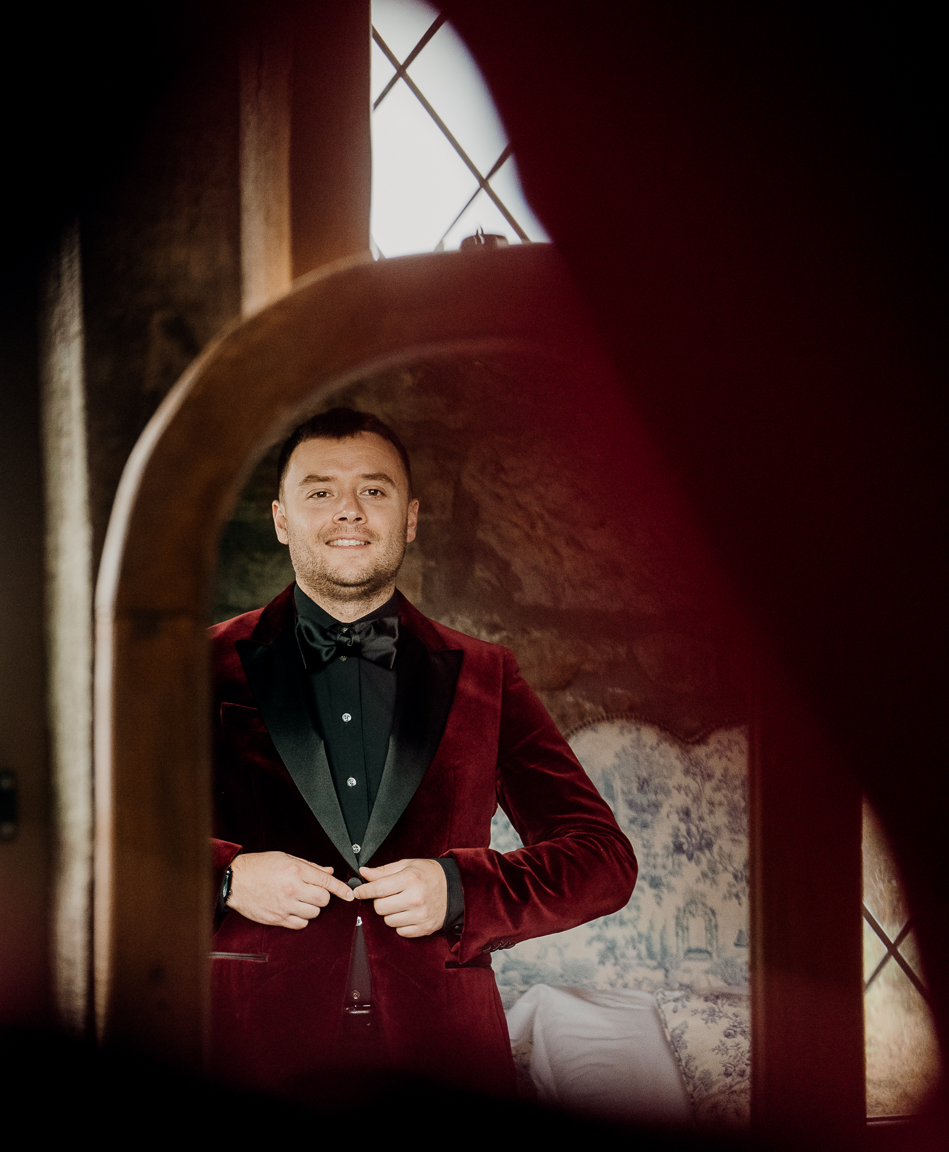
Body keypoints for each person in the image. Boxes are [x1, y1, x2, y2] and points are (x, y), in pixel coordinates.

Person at [209, 407, 637, 1095]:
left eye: (373, 490)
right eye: (320, 491)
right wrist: (226, 877)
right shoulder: (196, 667)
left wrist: (464, 890)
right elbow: (102, 845)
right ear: (282, 518)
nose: (348, 510)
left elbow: (603, 859)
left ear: (409, 518)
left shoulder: (488, 674)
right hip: (246, 1055)